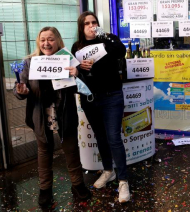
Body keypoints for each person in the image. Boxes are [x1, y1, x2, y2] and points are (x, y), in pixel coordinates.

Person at [13, 27, 91, 206]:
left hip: (64, 113)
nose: (46, 43)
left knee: (71, 151)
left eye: (50, 39)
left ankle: (78, 185)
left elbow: (83, 87)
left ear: (58, 41)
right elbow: (21, 88)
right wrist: (21, 91)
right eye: (42, 40)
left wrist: (77, 74)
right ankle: (45, 189)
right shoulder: (30, 62)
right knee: (44, 152)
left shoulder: (69, 60)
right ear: (38, 42)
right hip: (41, 114)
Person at [71, 11, 130, 203]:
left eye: (94, 22)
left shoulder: (109, 40)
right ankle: (108, 171)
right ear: (81, 27)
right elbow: (73, 72)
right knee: (101, 137)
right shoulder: (77, 47)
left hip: (112, 96)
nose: (91, 26)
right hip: (90, 99)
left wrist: (104, 35)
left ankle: (123, 181)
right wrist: (80, 68)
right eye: (86, 23)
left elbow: (121, 52)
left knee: (114, 138)